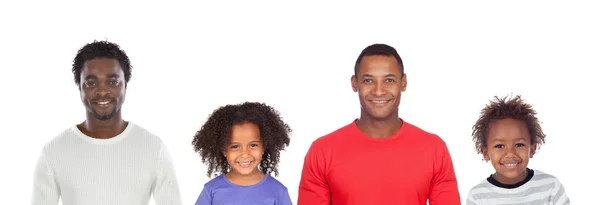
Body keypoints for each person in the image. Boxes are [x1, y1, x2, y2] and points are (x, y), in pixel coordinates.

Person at [297, 43, 461, 205]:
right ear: (354, 83)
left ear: (403, 83)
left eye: (389, 80)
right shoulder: (322, 151)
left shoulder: (434, 149)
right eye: (368, 80)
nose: (378, 91)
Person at [31, 40, 182, 205]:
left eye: (113, 82)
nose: (102, 91)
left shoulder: (153, 148)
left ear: (125, 86)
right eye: (91, 83)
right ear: (80, 88)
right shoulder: (53, 152)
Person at [466, 95, 570, 205]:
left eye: (519, 145)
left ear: (532, 149)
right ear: (485, 153)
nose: (510, 153)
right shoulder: (478, 196)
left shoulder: (551, 187)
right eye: (500, 146)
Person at [192, 102, 294, 205]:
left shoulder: (278, 191)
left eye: (253, 145)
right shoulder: (211, 190)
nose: (245, 154)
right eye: (235, 146)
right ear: (224, 150)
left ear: (264, 147)